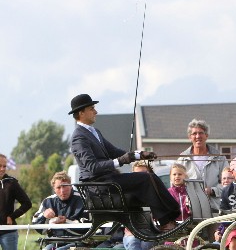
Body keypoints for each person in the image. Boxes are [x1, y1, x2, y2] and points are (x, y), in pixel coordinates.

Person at [68, 93, 180, 231]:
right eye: (92, 108)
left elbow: (114, 151)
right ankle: (165, 222)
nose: (96, 111)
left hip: (110, 180)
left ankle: (171, 217)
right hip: (100, 185)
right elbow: (92, 167)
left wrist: (140, 155)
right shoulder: (79, 137)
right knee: (146, 179)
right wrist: (120, 161)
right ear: (81, 113)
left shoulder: (93, 132)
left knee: (150, 177)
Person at [122, 161, 156, 250]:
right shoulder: (126, 194)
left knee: (135, 244)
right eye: (136, 174)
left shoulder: (156, 193)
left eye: (143, 174)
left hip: (151, 236)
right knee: (133, 241)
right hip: (131, 234)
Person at [176, 119, 228, 212]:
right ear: (189, 137)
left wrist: (212, 190)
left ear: (206, 136)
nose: (198, 136)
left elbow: (228, 184)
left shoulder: (219, 158)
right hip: (190, 211)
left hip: (215, 210)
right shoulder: (182, 159)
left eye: (201, 133)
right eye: (194, 134)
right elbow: (175, 186)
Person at [32, 171, 88, 250]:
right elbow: (35, 222)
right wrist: (44, 215)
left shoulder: (82, 199)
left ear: (71, 186)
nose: (62, 191)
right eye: (58, 188)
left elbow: (87, 225)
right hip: (55, 241)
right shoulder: (48, 201)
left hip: (78, 241)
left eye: (65, 186)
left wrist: (66, 222)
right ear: (54, 189)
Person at [0, 153, 32, 250]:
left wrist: (12, 216)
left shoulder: (11, 183)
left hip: (8, 232)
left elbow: (27, 203)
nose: (2, 169)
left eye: (4, 166)